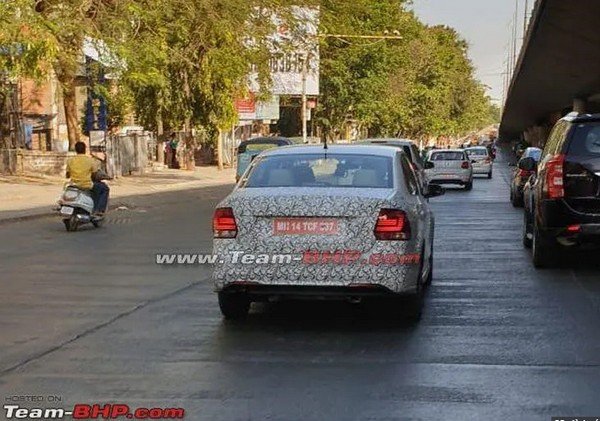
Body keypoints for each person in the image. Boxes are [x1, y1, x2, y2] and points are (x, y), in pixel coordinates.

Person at [66, 141, 110, 216]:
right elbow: (95, 175)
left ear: (76, 150)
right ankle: (100, 210)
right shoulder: (90, 160)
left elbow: (67, 175)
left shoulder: (70, 160)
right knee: (105, 189)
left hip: (73, 184)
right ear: (85, 149)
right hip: (86, 184)